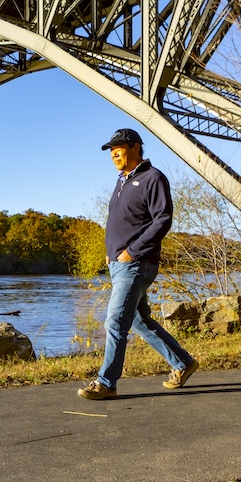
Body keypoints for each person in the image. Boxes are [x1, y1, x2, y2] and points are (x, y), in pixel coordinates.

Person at [78, 128, 198, 400]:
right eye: (111, 150)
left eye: (118, 147)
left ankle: (106, 383)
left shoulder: (152, 178)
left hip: (136, 263)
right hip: (119, 264)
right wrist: (110, 252)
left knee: (115, 322)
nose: (113, 153)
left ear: (134, 147)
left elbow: (162, 219)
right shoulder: (122, 181)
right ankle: (183, 363)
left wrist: (131, 251)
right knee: (139, 322)